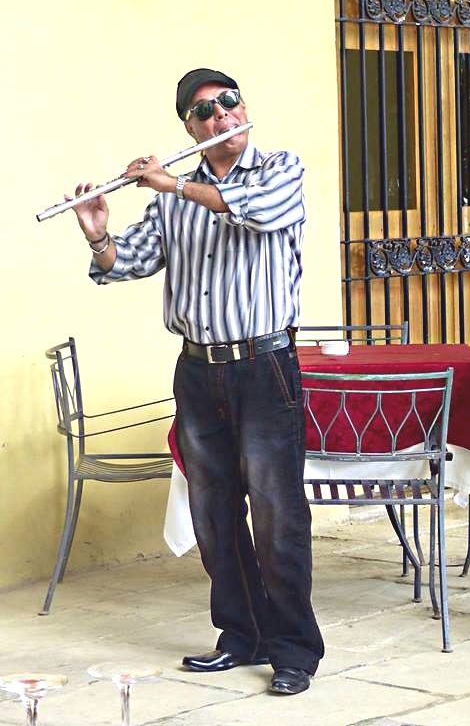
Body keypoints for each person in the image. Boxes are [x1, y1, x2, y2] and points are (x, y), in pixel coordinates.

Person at [70, 68, 324, 696]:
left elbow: (260, 215)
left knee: (276, 513)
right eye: (205, 112)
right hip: (196, 368)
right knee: (212, 512)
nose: (221, 118)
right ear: (188, 126)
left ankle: (294, 649)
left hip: (265, 367)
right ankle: (240, 636)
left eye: (229, 104)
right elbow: (126, 263)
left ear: (245, 108)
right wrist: (100, 233)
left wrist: (174, 182)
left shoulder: (280, 169)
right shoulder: (171, 199)